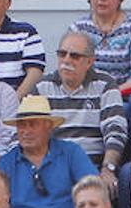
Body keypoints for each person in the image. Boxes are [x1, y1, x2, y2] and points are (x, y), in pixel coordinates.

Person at [0, 95, 97, 208]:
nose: (26, 131)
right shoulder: (6, 163)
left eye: (33, 124)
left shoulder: (71, 152)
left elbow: (94, 191)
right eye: (22, 125)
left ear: (49, 127)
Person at [34, 31, 125, 174]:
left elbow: (115, 131)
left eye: (74, 56)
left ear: (89, 62)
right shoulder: (42, 87)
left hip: (92, 169)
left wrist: (108, 169)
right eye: (62, 54)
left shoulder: (105, 85)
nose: (67, 60)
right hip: (53, 168)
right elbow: (26, 132)